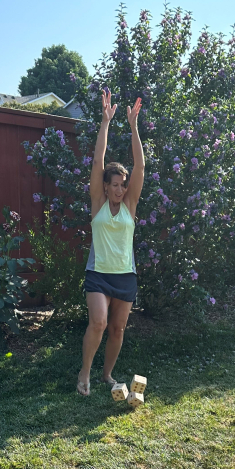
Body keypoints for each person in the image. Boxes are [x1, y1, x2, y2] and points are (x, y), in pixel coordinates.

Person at [77, 88, 145, 396]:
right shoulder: (98, 204)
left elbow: (140, 167)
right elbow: (97, 161)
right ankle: (85, 373)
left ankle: (107, 375)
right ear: (106, 187)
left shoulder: (130, 206)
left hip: (125, 276)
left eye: (123, 185)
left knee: (118, 329)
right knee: (99, 323)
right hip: (99, 274)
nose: (119, 189)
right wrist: (105, 122)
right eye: (114, 185)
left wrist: (133, 126)